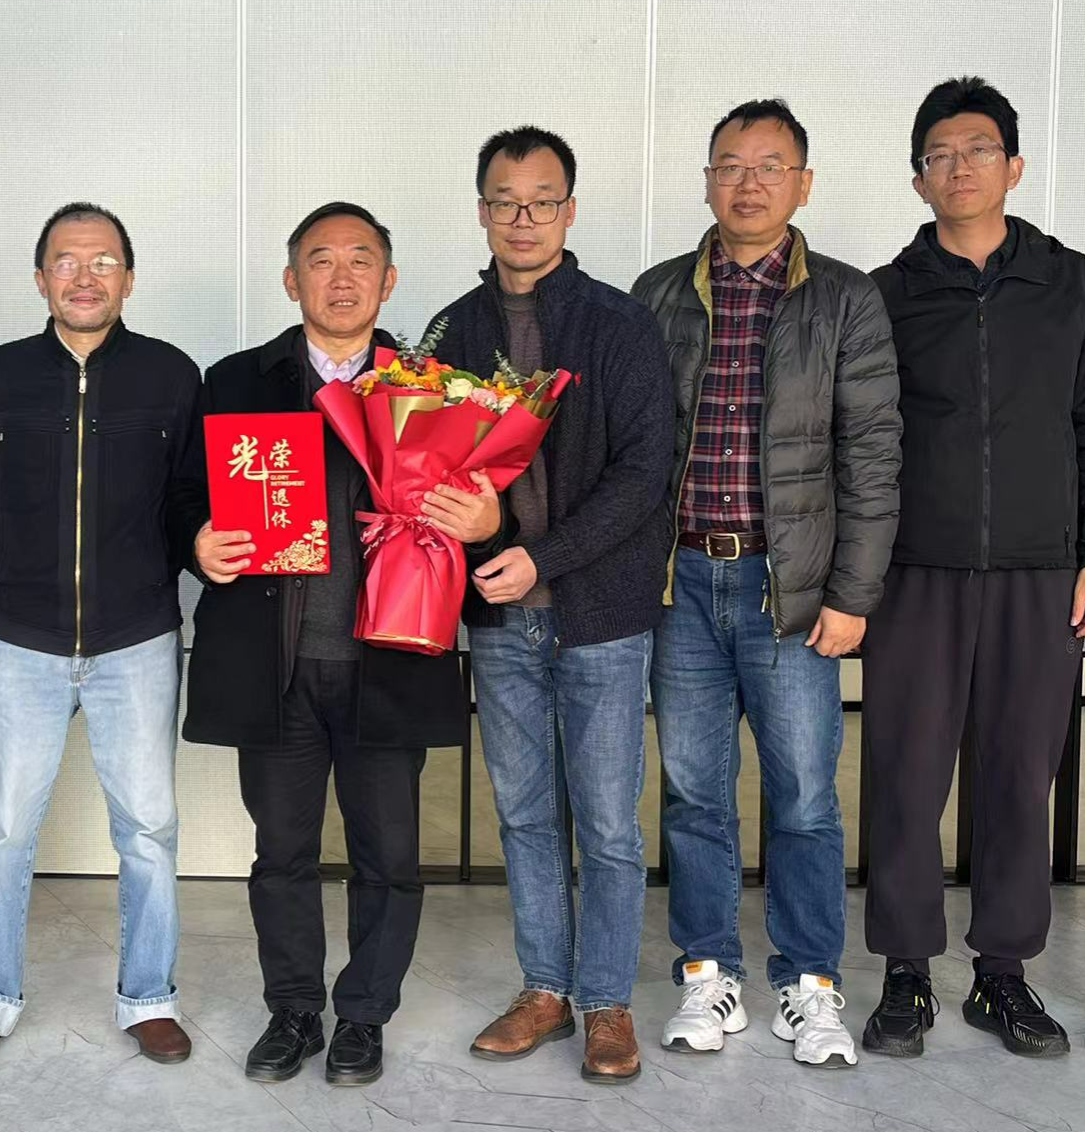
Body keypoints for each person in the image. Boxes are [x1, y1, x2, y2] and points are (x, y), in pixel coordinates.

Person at [179, 202, 479, 1086]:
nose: (341, 277)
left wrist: (487, 521)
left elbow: (477, 512)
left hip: (388, 660)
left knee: (389, 857)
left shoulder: (435, 391)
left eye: (361, 260)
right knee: (282, 853)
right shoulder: (237, 380)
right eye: (320, 260)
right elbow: (179, 500)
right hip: (274, 666)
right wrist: (196, 542)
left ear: (388, 281)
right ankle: (294, 1011)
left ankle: (364, 1017)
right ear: (291, 279)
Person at [633, 99, 901, 1069]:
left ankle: (808, 982)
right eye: (729, 165)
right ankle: (708, 972)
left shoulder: (845, 299)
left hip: (791, 592)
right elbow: (632, 450)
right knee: (693, 794)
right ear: (707, 180)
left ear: (803, 183)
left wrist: (852, 593)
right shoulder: (658, 294)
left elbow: (872, 454)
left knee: (803, 797)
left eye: (769, 166)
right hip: (681, 586)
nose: (747, 183)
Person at [428, 126, 673, 1084]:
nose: (522, 219)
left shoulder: (619, 324)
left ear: (569, 211)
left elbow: (644, 474)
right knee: (525, 814)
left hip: (601, 612)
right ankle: (544, 990)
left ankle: (606, 1002)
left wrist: (543, 556)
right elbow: (426, 477)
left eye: (541, 201)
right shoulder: (450, 333)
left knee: (608, 823)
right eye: (505, 201)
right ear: (480, 210)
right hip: (498, 614)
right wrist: (489, 554)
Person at [861, 76, 1085, 1060]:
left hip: (1042, 573)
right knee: (905, 775)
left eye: (978, 149)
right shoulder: (882, 297)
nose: (959, 168)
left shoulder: (1076, 287)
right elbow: (858, 441)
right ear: (917, 179)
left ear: (1014, 166)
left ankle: (1002, 974)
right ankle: (906, 972)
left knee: (1018, 777)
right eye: (939, 155)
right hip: (914, 570)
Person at [0, 202, 200, 1069]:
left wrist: (199, 546)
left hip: (136, 639)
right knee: (3, 833)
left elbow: (187, 500)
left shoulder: (171, 375)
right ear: (40, 277)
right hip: (19, 640)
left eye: (103, 262)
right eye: (66, 261)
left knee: (149, 830)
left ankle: (148, 997)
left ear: (129, 278)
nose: (84, 278)